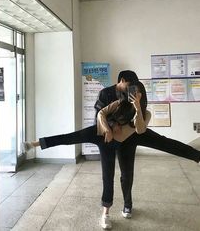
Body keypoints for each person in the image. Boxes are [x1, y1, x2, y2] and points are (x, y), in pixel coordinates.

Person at [22, 80, 151, 230]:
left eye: (136, 91)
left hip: (113, 144)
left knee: (109, 177)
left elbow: (140, 130)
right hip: (100, 134)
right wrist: (108, 130)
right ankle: (34, 144)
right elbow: (102, 113)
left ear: (142, 94)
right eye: (131, 90)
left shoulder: (145, 113)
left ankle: (113, 210)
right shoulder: (120, 103)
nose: (133, 94)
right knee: (70, 137)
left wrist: (137, 107)